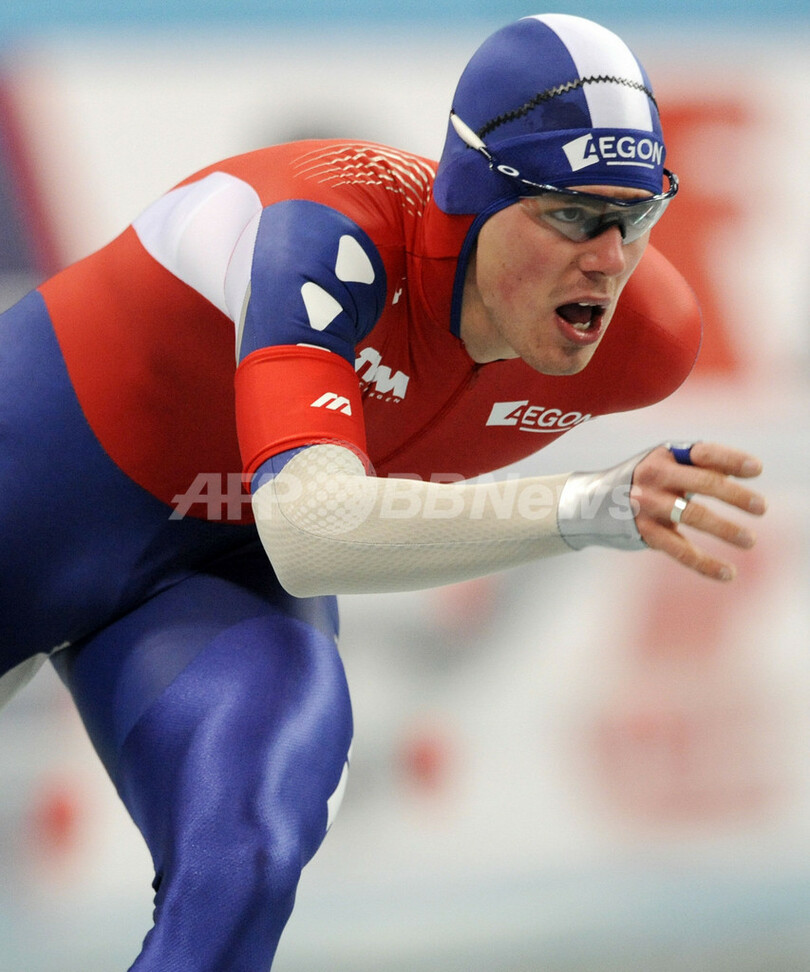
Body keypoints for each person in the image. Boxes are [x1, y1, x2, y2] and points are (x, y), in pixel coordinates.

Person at [0, 12, 766, 971]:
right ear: (474, 196)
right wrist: (585, 507)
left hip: (216, 565)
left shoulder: (644, 341)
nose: (610, 260)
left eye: (636, 215)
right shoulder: (323, 237)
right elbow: (314, 531)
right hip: (38, 496)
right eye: (572, 215)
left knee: (248, 854)